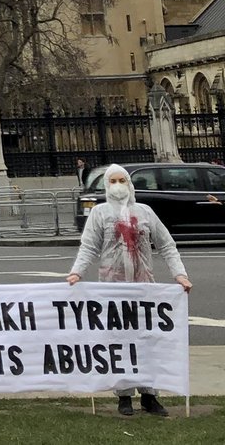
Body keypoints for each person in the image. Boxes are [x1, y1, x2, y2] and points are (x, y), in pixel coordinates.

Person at [67, 164, 191, 418]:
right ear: (106, 185)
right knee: (118, 340)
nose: (117, 185)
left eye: (121, 180)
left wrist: (180, 274)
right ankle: (124, 395)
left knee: (147, 339)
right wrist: (77, 272)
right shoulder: (100, 213)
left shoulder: (145, 212)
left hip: (144, 287)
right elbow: (89, 247)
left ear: (129, 183)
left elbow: (166, 245)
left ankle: (149, 395)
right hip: (113, 287)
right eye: (112, 181)